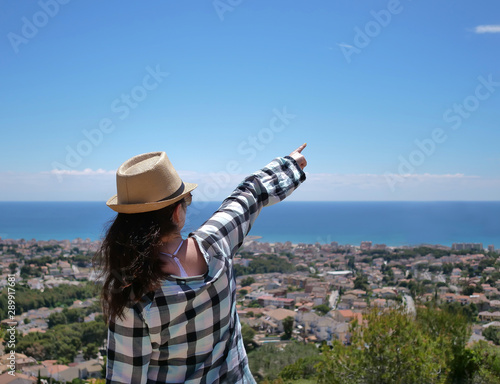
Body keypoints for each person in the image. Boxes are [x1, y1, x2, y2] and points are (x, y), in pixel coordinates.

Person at [94, 143, 307, 383]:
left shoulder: (132, 293)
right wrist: (289, 165)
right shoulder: (216, 245)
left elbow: (125, 378)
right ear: (176, 212)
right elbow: (248, 196)